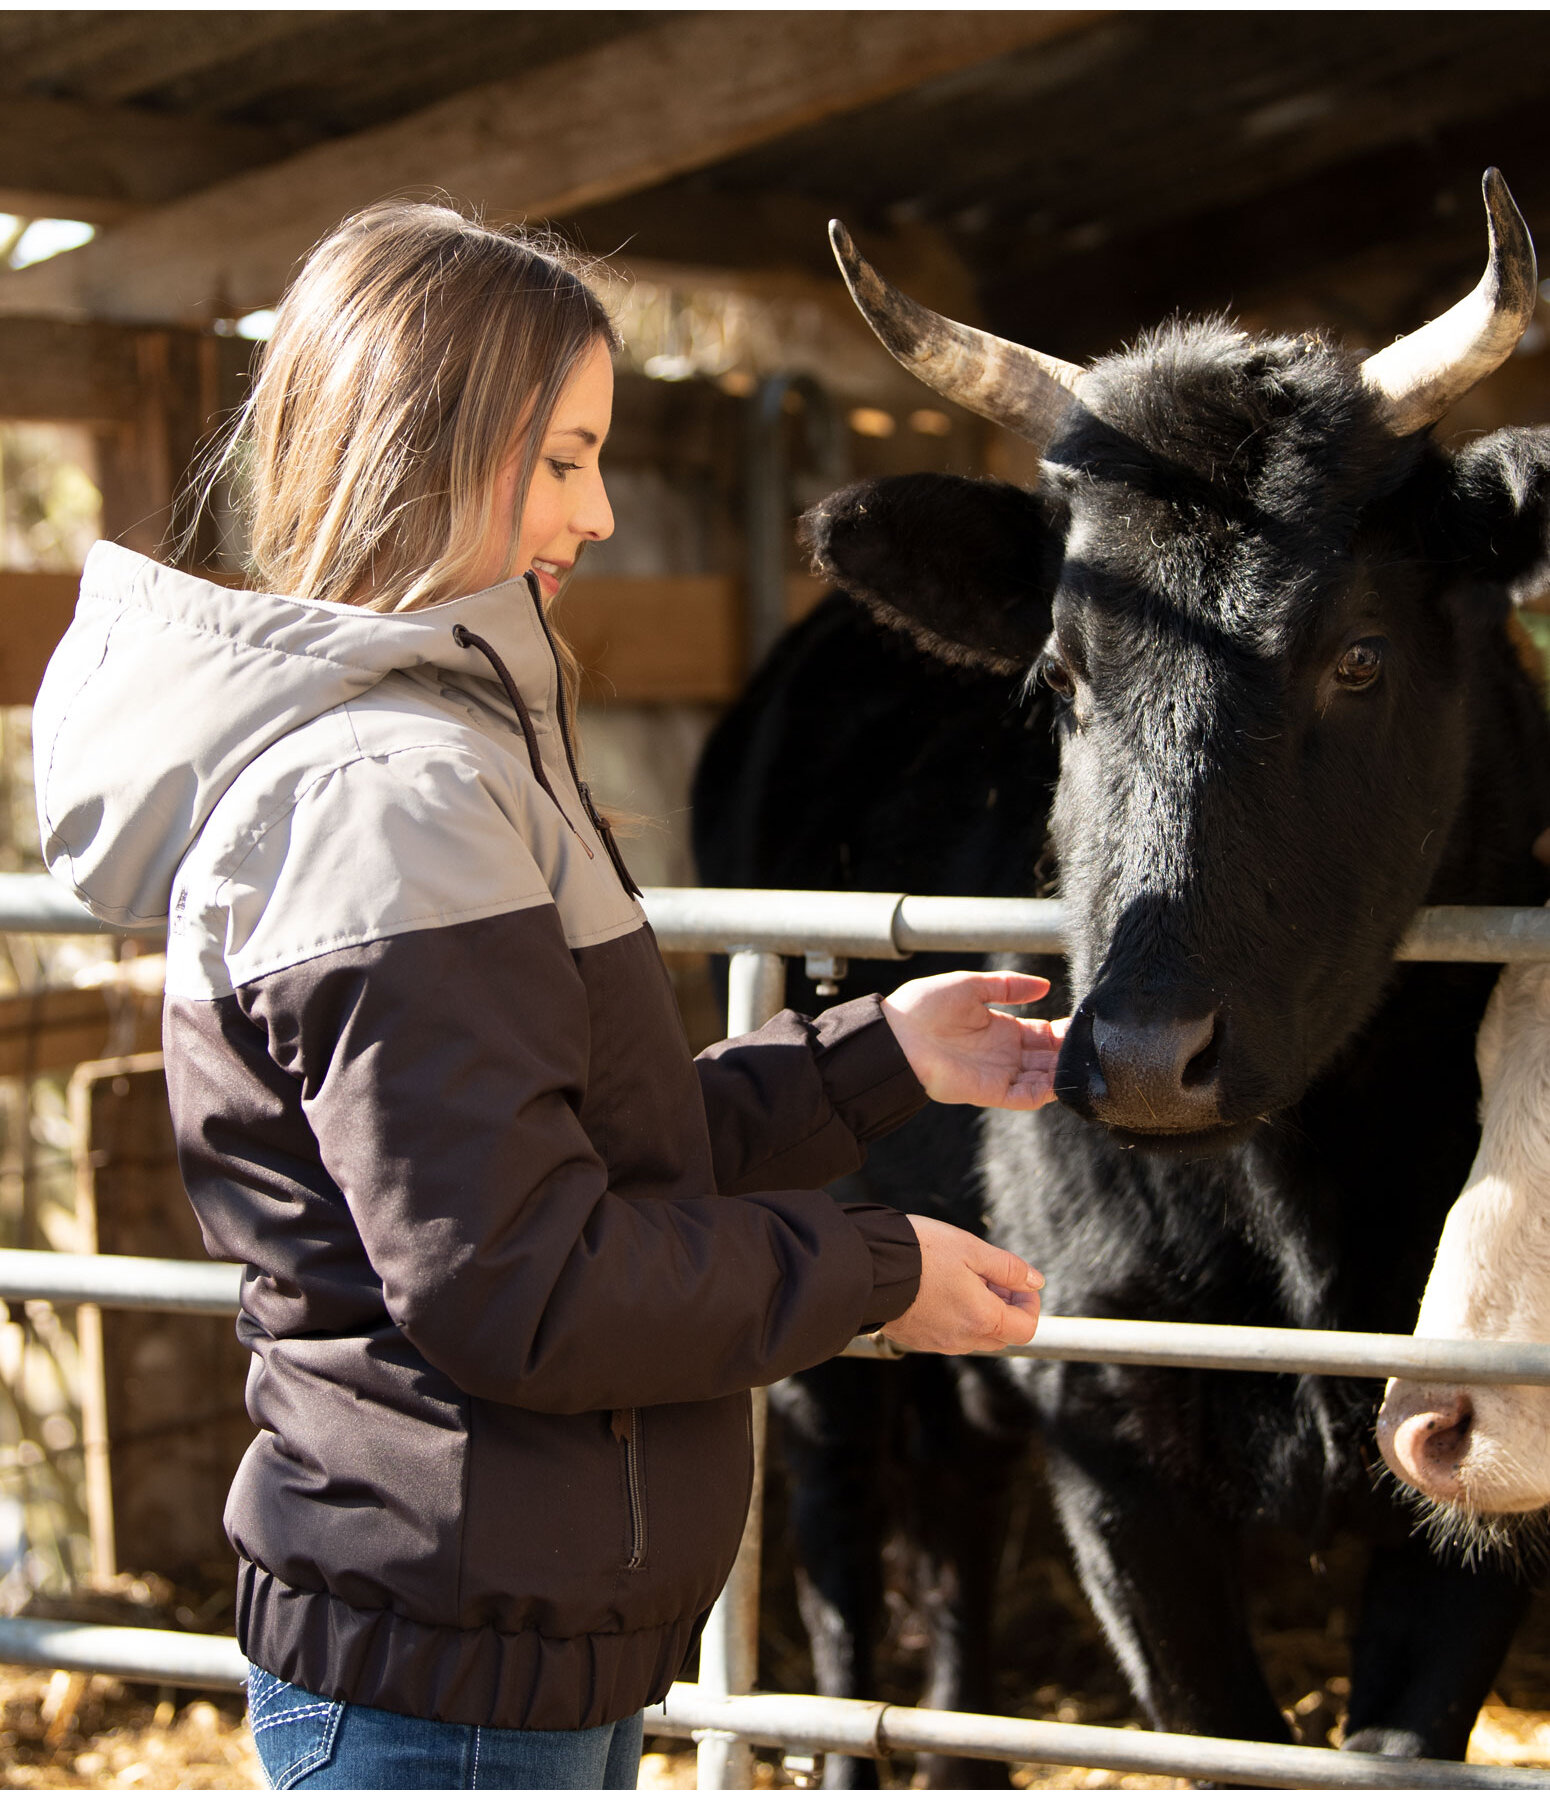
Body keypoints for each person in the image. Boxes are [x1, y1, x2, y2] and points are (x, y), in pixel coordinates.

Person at [32, 201, 1065, 1791]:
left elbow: (584, 1143)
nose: (595, 517)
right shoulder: (392, 792)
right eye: (565, 457)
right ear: (426, 442)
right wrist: (875, 1265)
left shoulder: (455, 755)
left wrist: (874, 1061)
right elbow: (519, 1281)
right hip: (445, 1664)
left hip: (498, 1631)